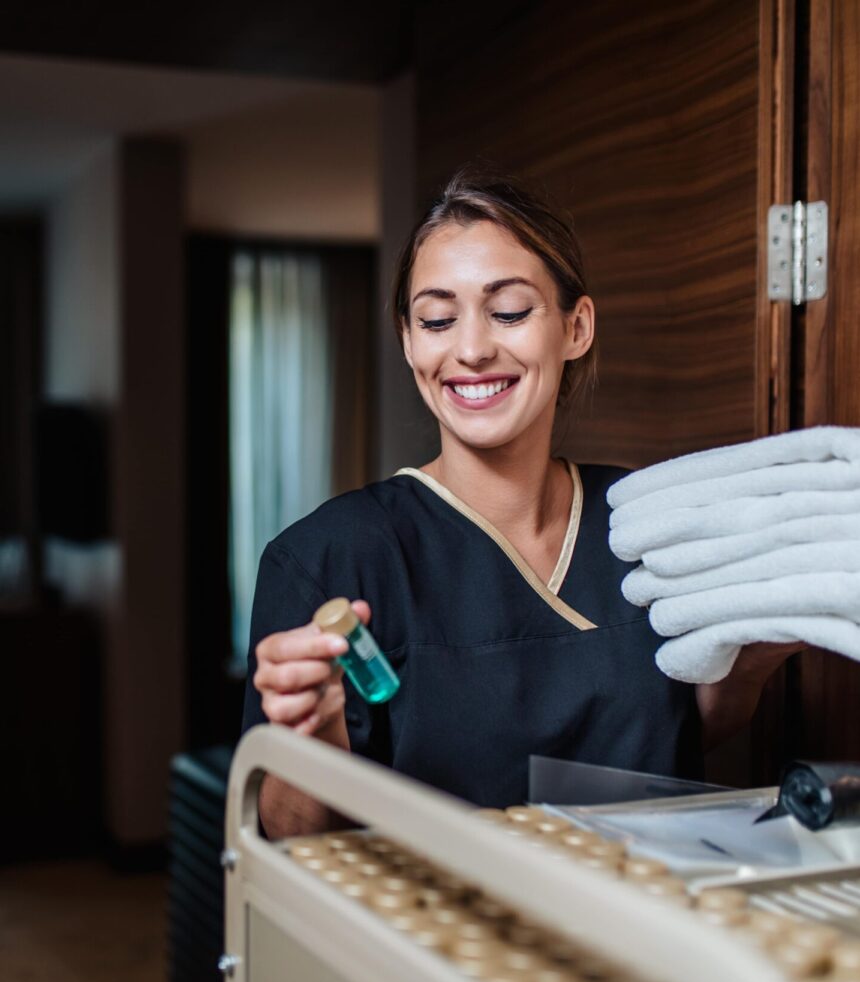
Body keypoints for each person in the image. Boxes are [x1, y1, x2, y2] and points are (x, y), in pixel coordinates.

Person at [242, 168, 802, 839]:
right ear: (409, 341)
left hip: (643, 920)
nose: (472, 349)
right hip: (434, 935)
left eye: (508, 311)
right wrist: (314, 736)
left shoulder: (646, 519)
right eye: (438, 319)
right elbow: (287, 838)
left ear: (576, 327)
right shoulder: (332, 557)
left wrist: (754, 662)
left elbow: (684, 730)